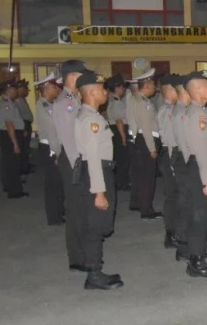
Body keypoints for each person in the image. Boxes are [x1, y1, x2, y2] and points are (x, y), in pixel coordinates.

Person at [74, 71, 123, 290]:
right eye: (102, 89)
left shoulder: (92, 115)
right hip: (96, 174)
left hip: (100, 172)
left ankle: (95, 270)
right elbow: (92, 157)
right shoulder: (90, 119)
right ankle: (93, 275)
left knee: (96, 225)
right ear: (92, 92)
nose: (105, 93)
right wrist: (99, 192)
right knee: (95, 226)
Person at [183, 71, 207, 278]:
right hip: (201, 168)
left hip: (202, 166)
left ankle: (197, 257)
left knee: (203, 216)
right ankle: (196, 262)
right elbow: (199, 149)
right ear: (198, 90)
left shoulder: (199, 112)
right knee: (201, 217)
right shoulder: (197, 115)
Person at [53, 59, 89, 272]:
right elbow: (69, 138)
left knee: (81, 208)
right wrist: (80, 164)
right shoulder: (65, 102)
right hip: (73, 158)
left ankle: (81, 251)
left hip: (75, 158)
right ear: (72, 76)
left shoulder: (73, 99)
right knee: (75, 209)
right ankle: (77, 258)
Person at [126, 68, 162, 220]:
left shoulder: (134, 99)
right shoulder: (144, 103)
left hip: (138, 140)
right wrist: (152, 148)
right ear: (146, 85)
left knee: (139, 175)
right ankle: (146, 210)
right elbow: (147, 128)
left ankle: (136, 202)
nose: (154, 87)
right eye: (152, 84)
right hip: (146, 140)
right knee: (147, 178)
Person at [35, 72, 65, 226]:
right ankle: (54, 216)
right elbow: (53, 131)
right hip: (50, 148)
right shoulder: (45, 106)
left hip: (51, 146)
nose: (57, 90)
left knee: (57, 183)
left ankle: (58, 211)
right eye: (54, 87)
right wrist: (57, 152)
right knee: (53, 184)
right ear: (47, 88)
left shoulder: (49, 105)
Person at [156, 74, 181, 248]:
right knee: (173, 196)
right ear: (170, 90)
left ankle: (176, 231)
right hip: (171, 155)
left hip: (174, 155)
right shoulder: (167, 111)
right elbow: (171, 139)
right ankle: (171, 234)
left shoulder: (172, 109)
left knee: (178, 196)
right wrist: (174, 163)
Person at [0, 79, 27, 199]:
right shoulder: (7, 104)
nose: (16, 91)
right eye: (14, 89)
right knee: (13, 164)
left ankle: (9, 185)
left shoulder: (5, 102)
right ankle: (15, 191)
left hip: (7, 134)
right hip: (9, 135)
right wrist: (15, 143)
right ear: (9, 90)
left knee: (7, 162)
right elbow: (9, 124)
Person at [171, 76, 192, 262]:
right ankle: (183, 245)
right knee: (186, 204)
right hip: (184, 160)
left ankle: (186, 243)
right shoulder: (179, 113)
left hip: (185, 160)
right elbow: (183, 143)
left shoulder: (184, 111)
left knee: (189, 203)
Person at [105, 75, 130, 191]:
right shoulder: (116, 102)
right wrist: (124, 138)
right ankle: (121, 182)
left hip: (117, 131)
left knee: (121, 158)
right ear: (117, 88)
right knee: (122, 159)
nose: (123, 89)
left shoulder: (114, 100)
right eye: (122, 87)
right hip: (119, 131)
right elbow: (119, 121)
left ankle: (121, 181)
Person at [14, 80, 34, 175]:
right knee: (23, 147)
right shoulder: (17, 100)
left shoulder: (21, 99)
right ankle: (23, 168)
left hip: (26, 124)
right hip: (23, 125)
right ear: (20, 89)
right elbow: (19, 116)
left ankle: (25, 166)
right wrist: (24, 129)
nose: (27, 91)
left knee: (26, 147)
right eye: (25, 89)